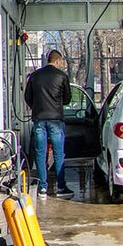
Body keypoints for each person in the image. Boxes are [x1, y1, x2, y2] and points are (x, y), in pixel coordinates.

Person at [24, 50, 73, 197]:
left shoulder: (35, 76)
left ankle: (43, 188)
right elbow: (67, 99)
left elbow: (27, 97)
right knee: (58, 153)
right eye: (61, 62)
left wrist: (37, 107)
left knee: (40, 153)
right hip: (56, 119)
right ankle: (61, 187)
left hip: (39, 119)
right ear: (57, 61)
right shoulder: (61, 76)